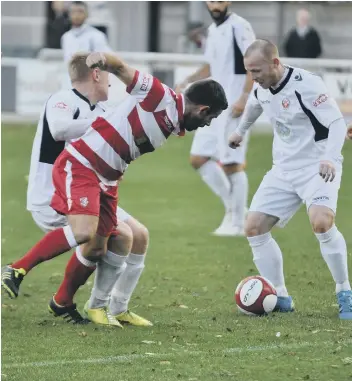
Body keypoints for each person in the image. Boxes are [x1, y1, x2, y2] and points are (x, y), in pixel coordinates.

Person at [2, 51, 228, 323]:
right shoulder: (159, 96)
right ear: (203, 110)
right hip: (83, 165)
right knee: (85, 232)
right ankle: (16, 269)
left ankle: (68, 303)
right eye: (210, 118)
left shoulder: (174, 118)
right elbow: (121, 68)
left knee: (103, 244)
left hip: (107, 180)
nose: (207, 124)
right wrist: (102, 59)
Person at [2, 52, 152, 327]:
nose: (111, 82)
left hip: (88, 191)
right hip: (52, 193)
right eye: (107, 75)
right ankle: (20, 270)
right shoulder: (63, 100)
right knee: (108, 237)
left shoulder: (104, 112)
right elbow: (60, 129)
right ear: (96, 74)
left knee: (138, 235)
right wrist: (106, 127)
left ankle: (89, 305)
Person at [229, 39, 352, 320]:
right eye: (249, 71)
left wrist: (330, 157)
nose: (253, 77)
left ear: (275, 63)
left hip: (318, 166)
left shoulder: (307, 84)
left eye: (257, 70)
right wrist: (240, 131)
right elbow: (255, 103)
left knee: (321, 222)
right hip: (283, 169)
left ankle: (344, 291)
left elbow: (335, 123)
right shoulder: (263, 88)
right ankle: (280, 295)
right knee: (254, 227)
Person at [175, 1, 256, 236]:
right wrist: (188, 81)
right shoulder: (212, 30)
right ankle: (234, 209)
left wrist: (244, 97)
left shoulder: (240, 27)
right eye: (211, 0)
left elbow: (252, 64)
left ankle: (239, 224)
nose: (216, 5)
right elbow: (211, 66)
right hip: (214, 107)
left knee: (232, 163)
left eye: (220, 0)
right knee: (199, 158)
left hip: (235, 106)